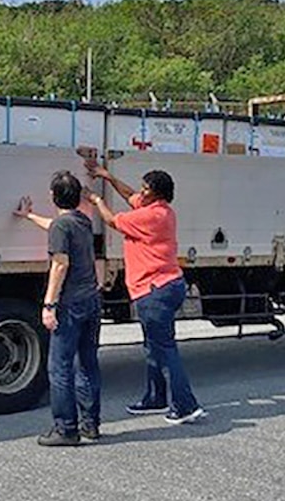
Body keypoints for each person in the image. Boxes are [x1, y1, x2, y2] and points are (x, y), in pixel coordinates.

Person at [84, 163, 206, 425]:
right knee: (154, 346)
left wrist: (95, 199)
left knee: (165, 350)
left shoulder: (151, 218)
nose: (141, 192)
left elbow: (111, 220)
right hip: (165, 286)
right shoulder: (161, 210)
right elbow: (130, 196)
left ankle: (185, 405)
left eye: (146, 189)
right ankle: (156, 397)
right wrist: (108, 176)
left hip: (155, 290)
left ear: (157, 194)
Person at [13, 170, 102, 446]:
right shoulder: (82, 222)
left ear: (53, 196)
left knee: (60, 367)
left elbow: (60, 263)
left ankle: (66, 429)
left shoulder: (62, 228)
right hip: (91, 300)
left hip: (70, 303)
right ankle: (91, 425)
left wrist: (49, 304)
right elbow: (56, 226)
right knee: (87, 364)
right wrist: (29, 216)